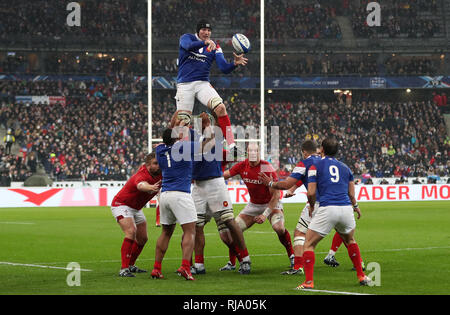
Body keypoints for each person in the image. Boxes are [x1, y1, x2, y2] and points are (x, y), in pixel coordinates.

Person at [296, 137, 371, 289]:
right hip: (346, 209)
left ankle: (308, 282)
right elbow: (351, 195)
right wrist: (356, 207)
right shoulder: (346, 168)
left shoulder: (315, 166)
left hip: (328, 208)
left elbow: (311, 193)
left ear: (321, 149)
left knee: (309, 244)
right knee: (350, 241)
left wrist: (311, 206)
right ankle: (361, 275)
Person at [190, 112, 252, 275]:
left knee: (229, 221)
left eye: (203, 119)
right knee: (197, 226)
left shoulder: (214, 134)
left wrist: (216, 110)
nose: (201, 121)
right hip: (198, 185)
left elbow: (222, 119)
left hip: (215, 183)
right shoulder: (191, 137)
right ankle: (199, 264)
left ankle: (245, 259)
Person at [175, 19, 248, 152]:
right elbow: (188, 46)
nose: (207, 32)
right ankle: (182, 152)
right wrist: (204, 43)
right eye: (203, 30)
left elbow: (224, 68)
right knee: (183, 122)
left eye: (209, 30)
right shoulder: (187, 38)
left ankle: (232, 146)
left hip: (202, 83)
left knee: (220, 108)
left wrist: (234, 64)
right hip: (185, 85)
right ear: (197, 31)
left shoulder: (215, 47)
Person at [220, 142, 294, 271]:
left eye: (256, 151)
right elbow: (223, 176)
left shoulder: (267, 168)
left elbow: (276, 195)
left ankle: (293, 256)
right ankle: (232, 263)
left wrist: (265, 214)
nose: (253, 154)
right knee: (234, 230)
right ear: (247, 153)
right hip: (253, 205)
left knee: (279, 228)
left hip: (271, 204)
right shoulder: (242, 165)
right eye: (251, 151)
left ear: (259, 152)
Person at [259, 140, 321, 275]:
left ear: (304, 152)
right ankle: (360, 268)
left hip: (317, 203)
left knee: (299, 233)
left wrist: (270, 183)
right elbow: (300, 180)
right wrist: (293, 189)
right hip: (336, 202)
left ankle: (298, 267)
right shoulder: (324, 160)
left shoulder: (304, 163)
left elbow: (286, 183)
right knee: (346, 235)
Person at [151, 123, 200, 281]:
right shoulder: (184, 148)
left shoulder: (159, 150)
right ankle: (185, 267)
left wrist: (178, 129)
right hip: (181, 194)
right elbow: (204, 144)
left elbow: (166, 139)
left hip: (165, 195)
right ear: (177, 137)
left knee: (165, 232)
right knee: (190, 231)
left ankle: (156, 268)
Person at [110, 153, 162, 277]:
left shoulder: (160, 173)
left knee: (143, 238)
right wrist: (151, 187)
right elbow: (140, 185)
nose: (159, 165)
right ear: (148, 165)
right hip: (121, 204)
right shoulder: (141, 175)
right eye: (155, 163)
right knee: (131, 231)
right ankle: (123, 269)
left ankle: (130, 265)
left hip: (136, 208)